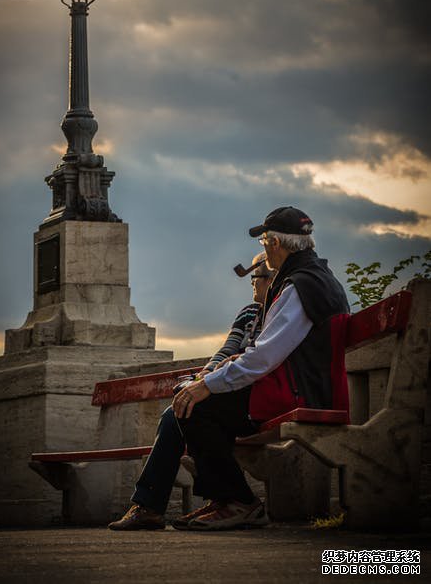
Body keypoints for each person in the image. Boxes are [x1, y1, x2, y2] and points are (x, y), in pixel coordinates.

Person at [109, 206, 349, 531]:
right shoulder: (314, 279)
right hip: (301, 389)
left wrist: (206, 385)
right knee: (186, 404)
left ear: (275, 243)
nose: (264, 251)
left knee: (193, 406)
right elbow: (269, 352)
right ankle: (218, 501)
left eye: (265, 242)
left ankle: (237, 501)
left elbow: (263, 357)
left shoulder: (299, 286)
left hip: (298, 396)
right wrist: (215, 377)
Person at [108, 253, 274, 531]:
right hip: (228, 392)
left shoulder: (280, 313)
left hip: (251, 399)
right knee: (176, 411)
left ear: (272, 279)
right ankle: (150, 506)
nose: (252, 284)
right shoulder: (248, 313)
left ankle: (229, 500)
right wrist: (205, 375)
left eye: (256, 277)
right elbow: (227, 349)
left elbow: (259, 358)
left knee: (189, 409)